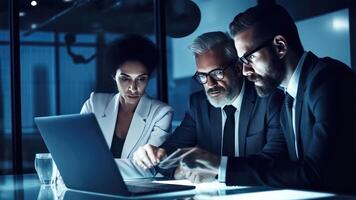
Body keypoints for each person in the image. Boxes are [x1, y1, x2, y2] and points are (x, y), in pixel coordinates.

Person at [179, 5, 356, 193]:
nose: (245, 71)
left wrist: (220, 167)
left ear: (280, 46)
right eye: (242, 62)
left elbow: (315, 173)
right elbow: (279, 166)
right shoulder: (290, 96)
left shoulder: (329, 81)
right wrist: (217, 168)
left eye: (250, 58)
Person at [133, 31, 287, 182]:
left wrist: (218, 170)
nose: (210, 84)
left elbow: (274, 162)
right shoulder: (199, 105)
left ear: (238, 69)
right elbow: (167, 154)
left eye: (217, 73)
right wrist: (160, 159)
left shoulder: (270, 100)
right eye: (202, 76)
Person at [80, 34, 173, 179]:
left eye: (141, 79)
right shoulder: (93, 104)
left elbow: (149, 169)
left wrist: (92, 167)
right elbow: (77, 154)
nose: (133, 88)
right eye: (125, 79)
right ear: (113, 76)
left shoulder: (161, 113)